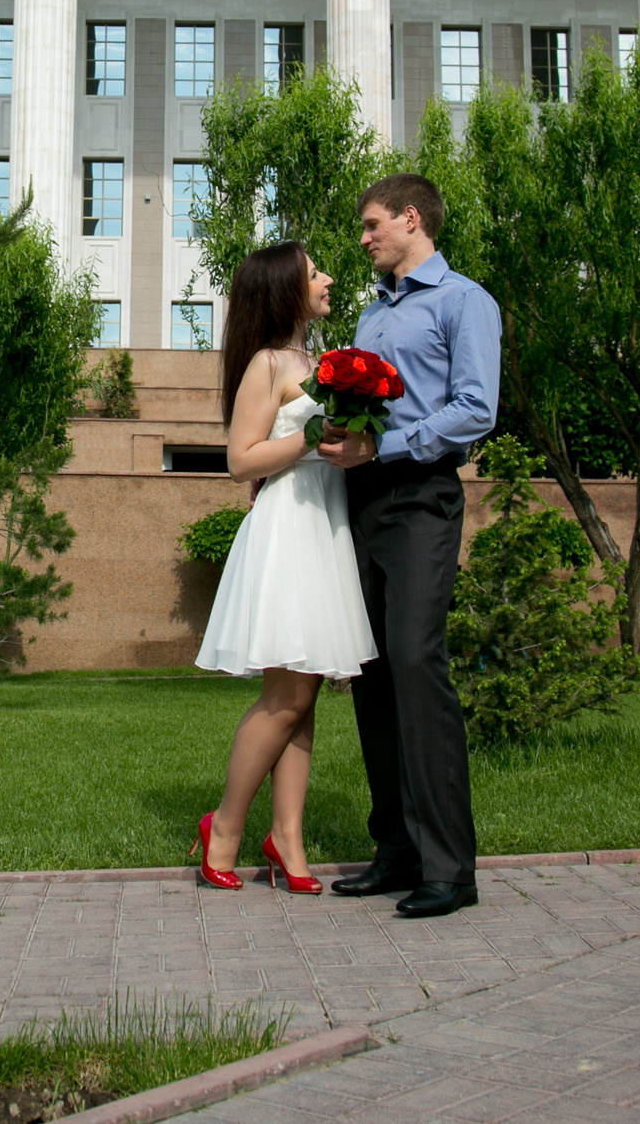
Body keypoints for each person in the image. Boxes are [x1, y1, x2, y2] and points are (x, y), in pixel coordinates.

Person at [315, 173, 501, 919]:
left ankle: (450, 869)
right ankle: (395, 851)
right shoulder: (370, 314)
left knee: (418, 666)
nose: (363, 239)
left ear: (411, 219)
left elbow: (475, 409)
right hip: (362, 503)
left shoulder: (465, 301)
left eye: (371, 225)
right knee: (373, 673)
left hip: (422, 497)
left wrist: (386, 452)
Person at [191, 241, 378, 894]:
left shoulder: (325, 360)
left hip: (325, 528)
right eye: (314, 273)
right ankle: (225, 829)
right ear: (284, 290)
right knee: (286, 696)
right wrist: (314, 431)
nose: (328, 279)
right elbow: (240, 461)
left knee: (305, 696)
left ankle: (288, 840)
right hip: (287, 532)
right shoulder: (268, 364)